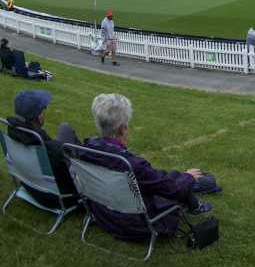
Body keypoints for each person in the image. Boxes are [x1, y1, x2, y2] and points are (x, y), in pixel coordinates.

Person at [79, 94, 211, 240]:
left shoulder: (85, 150)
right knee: (177, 182)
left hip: (103, 215)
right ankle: (196, 203)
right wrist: (189, 176)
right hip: (137, 225)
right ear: (123, 129)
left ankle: (196, 199)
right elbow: (173, 190)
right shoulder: (129, 164)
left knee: (171, 176)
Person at [6, 89, 81, 208]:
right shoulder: (49, 149)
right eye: (43, 110)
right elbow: (72, 175)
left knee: (64, 129)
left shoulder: (13, 135)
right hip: (60, 197)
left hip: (31, 186)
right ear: (39, 116)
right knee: (66, 132)